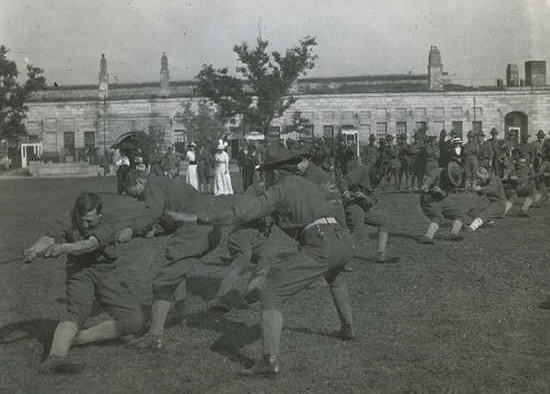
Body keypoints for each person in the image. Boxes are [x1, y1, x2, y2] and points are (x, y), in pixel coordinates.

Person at [167, 141, 354, 378]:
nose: (264, 177)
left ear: (275, 171)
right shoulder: (308, 183)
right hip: (341, 239)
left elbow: (241, 212)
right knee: (334, 277)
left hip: (320, 242)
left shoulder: (277, 190)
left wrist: (198, 217)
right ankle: (348, 329)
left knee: (272, 295)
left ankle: (269, 360)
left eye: (265, 171)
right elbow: (318, 211)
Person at [22, 192, 144, 374]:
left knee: (133, 321)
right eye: (81, 220)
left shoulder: (111, 220)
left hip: (106, 270)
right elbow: (50, 238)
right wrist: (35, 248)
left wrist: (63, 248)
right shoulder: (69, 217)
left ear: (100, 215)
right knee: (77, 311)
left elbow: (91, 244)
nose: (84, 225)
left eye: (90, 221)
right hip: (79, 269)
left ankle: (76, 338)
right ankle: (54, 358)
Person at [116, 170, 221, 349]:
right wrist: (155, 230)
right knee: (176, 269)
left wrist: (131, 229)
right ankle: (180, 316)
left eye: (136, 195)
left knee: (162, 281)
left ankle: (154, 335)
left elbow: (154, 211)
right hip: (211, 230)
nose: (139, 200)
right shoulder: (164, 184)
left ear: (140, 182)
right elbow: (172, 217)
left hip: (195, 231)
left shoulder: (152, 184)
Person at [207, 183, 276, 312]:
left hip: (258, 237)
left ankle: (251, 293)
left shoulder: (280, 196)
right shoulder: (256, 189)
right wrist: (265, 215)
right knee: (244, 256)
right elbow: (245, 207)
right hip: (241, 231)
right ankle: (219, 297)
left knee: (268, 254)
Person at [338, 160, 398, 263]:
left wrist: (363, 197)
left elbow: (373, 200)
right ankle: (340, 260)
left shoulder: (381, 181)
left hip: (363, 207)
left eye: (381, 175)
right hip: (350, 203)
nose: (378, 177)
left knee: (384, 220)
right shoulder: (363, 170)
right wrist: (345, 190)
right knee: (358, 231)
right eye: (377, 173)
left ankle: (381, 255)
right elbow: (343, 180)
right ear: (374, 168)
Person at [418, 161, 465, 244]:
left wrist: (440, 191)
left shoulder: (454, 182)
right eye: (450, 178)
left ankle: (453, 234)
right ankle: (427, 237)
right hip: (428, 198)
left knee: (459, 214)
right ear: (447, 171)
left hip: (440, 200)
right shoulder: (436, 172)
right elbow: (429, 179)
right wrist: (426, 185)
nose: (450, 181)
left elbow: (445, 194)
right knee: (437, 216)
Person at [466, 167, 506, 231]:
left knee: (482, 216)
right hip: (493, 203)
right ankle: (489, 223)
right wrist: (475, 190)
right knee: (472, 212)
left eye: (479, 177)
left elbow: (491, 188)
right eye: (477, 178)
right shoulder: (485, 181)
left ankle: (472, 227)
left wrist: (481, 188)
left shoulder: (494, 179)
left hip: (500, 204)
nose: (479, 179)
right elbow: (480, 194)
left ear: (484, 174)